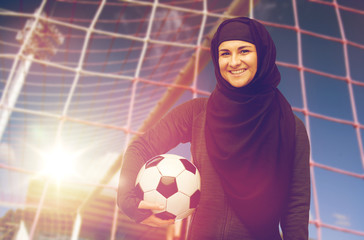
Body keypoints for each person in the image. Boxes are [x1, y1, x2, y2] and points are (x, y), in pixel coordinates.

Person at [117, 17, 310, 240]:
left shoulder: (291, 128)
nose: (234, 62)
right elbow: (141, 147)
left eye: (244, 51)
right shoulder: (197, 112)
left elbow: (295, 208)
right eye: (225, 53)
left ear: (263, 54)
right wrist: (128, 201)